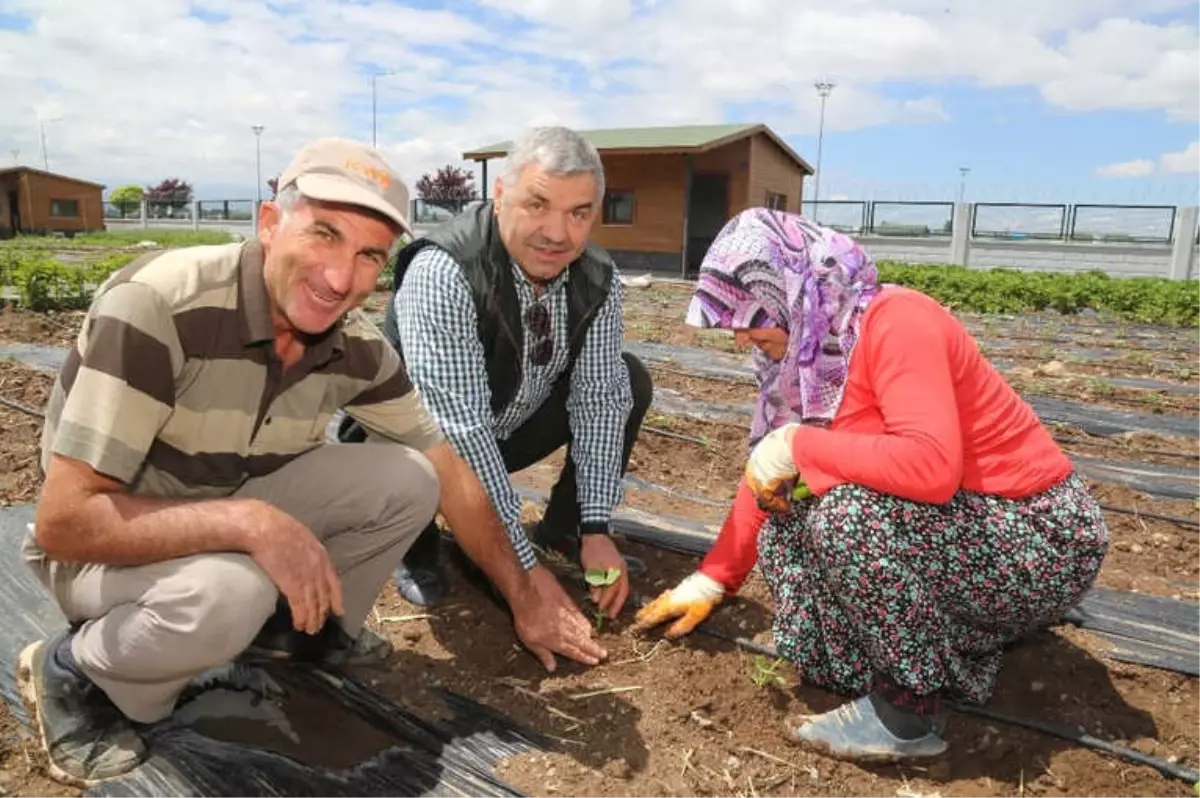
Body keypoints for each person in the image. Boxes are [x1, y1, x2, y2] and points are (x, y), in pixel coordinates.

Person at [17, 137, 606, 788]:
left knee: (410, 477)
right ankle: (77, 669)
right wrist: (249, 526)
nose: (339, 277)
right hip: (104, 548)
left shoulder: (351, 345)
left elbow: (445, 461)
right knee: (230, 590)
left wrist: (524, 593)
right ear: (271, 224)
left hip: (227, 507)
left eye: (367, 256)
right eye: (324, 234)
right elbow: (64, 523)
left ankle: (293, 638)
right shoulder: (161, 306)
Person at [633, 208, 1109, 763]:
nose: (740, 332)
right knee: (790, 523)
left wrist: (797, 446)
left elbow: (930, 469)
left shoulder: (897, 323)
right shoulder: (809, 359)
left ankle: (908, 711)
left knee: (847, 515)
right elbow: (769, 478)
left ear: (797, 290)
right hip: (970, 531)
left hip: (1039, 536)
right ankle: (949, 649)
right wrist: (712, 579)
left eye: (753, 313)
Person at [371, 125, 653, 619]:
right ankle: (414, 549)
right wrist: (524, 572)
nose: (558, 233)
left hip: (504, 426)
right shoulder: (446, 271)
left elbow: (599, 400)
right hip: (419, 443)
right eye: (537, 205)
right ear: (500, 195)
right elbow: (457, 433)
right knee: (409, 454)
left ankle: (564, 531)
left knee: (626, 379)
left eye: (578, 213)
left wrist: (596, 528)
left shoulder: (597, 279)